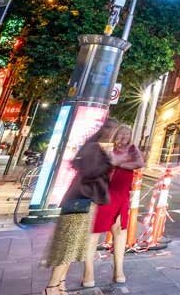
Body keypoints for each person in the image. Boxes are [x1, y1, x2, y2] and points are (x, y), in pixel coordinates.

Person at [45, 119, 118, 294]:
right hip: (80, 201)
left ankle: (60, 285)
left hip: (82, 201)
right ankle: (51, 288)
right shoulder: (94, 149)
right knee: (68, 246)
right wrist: (109, 161)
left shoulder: (93, 148)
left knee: (73, 246)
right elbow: (92, 173)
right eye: (115, 133)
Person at [88, 124, 144, 286]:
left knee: (120, 231)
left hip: (123, 196)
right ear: (116, 135)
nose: (124, 136)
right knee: (96, 231)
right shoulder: (109, 152)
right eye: (122, 134)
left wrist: (119, 164)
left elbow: (140, 163)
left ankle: (118, 270)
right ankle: (88, 273)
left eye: (127, 134)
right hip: (107, 195)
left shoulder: (133, 149)